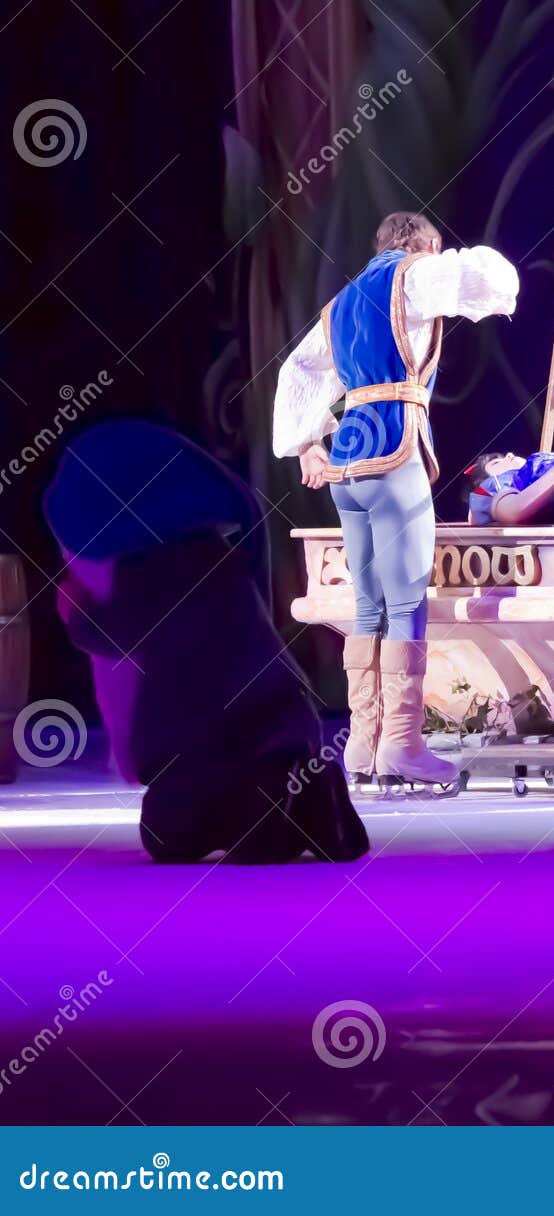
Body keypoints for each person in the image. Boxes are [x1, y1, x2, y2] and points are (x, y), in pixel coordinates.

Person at [43, 421, 369, 863]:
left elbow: (117, 631)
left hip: (209, 735)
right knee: (217, 812)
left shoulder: (145, 570)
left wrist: (75, 611)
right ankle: (308, 793)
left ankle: (276, 804)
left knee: (169, 832)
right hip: (277, 715)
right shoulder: (217, 554)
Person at [273, 212, 518, 789]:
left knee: (369, 605)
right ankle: (403, 746)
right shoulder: (415, 274)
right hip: (393, 450)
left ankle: (364, 745)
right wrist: (446, 265)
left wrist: (307, 444)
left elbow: (296, 369)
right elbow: (495, 279)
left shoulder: (341, 303)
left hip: (347, 462)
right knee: (406, 603)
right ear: (426, 245)